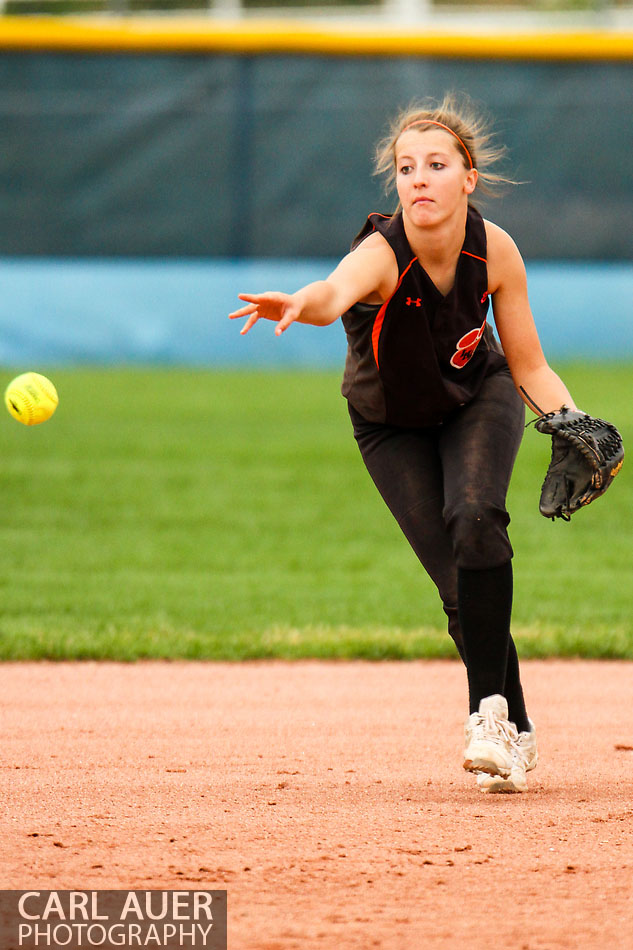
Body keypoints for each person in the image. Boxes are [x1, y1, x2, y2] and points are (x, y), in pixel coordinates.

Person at [229, 93, 578, 794]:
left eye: (436, 164)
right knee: (457, 587)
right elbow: (334, 292)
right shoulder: (382, 254)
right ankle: (519, 727)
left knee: (476, 521)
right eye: (405, 167)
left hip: (478, 396)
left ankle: (486, 719)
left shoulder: (495, 249)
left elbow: (529, 363)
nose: (418, 178)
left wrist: (572, 420)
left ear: (467, 178)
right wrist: (304, 303)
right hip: (389, 425)